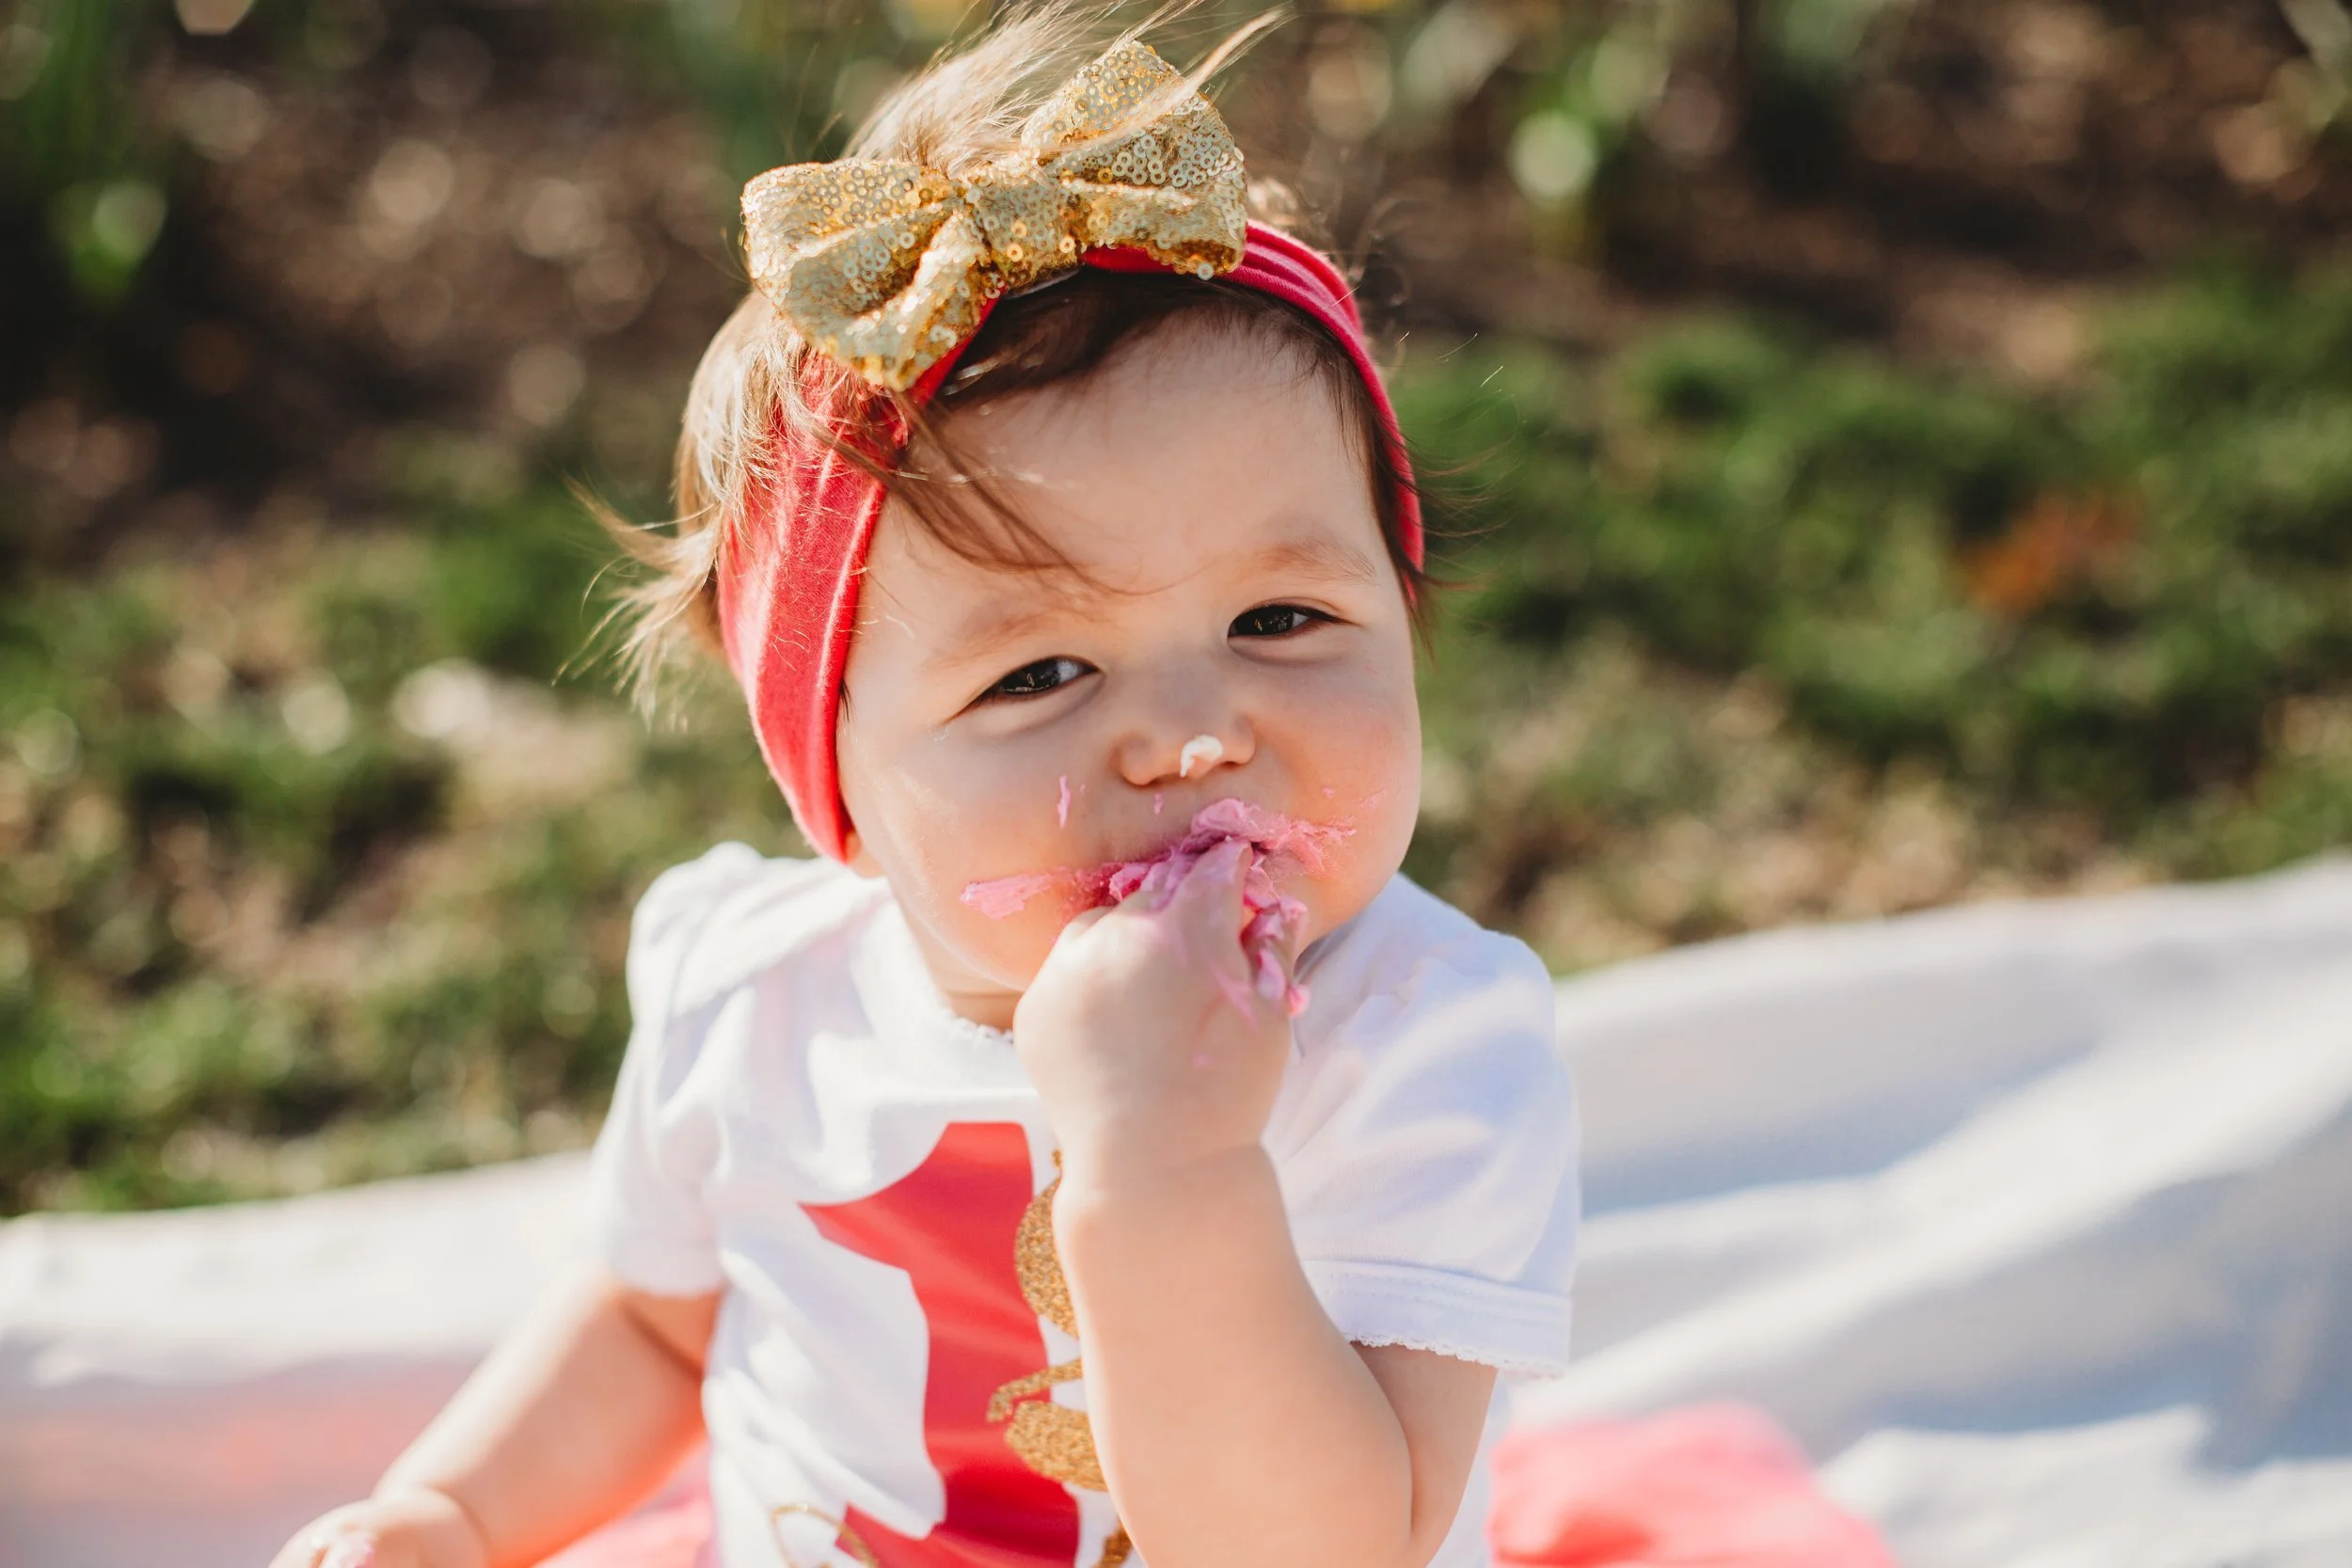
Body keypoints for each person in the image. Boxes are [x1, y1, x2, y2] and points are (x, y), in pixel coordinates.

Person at [269, 8, 1579, 1567]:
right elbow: (652, 1322)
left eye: (1278, 619)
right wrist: (455, 1512)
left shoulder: (1422, 1045)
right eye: (1040, 673)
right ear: (835, 784)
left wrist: (1170, 1164)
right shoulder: (755, 1002)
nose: (1191, 737)